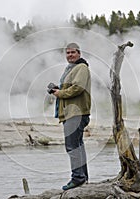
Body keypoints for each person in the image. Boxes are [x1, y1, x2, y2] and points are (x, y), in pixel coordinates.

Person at [52, 43, 91, 190]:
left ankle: (78, 178)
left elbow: (78, 88)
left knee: (72, 147)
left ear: (79, 53)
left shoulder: (81, 68)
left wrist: (60, 93)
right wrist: (58, 89)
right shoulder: (72, 68)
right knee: (78, 146)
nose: (70, 55)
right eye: (68, 53)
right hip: (73, 113)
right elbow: (71, 87)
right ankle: (83, 178)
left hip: (76, 113)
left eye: (73, 52)